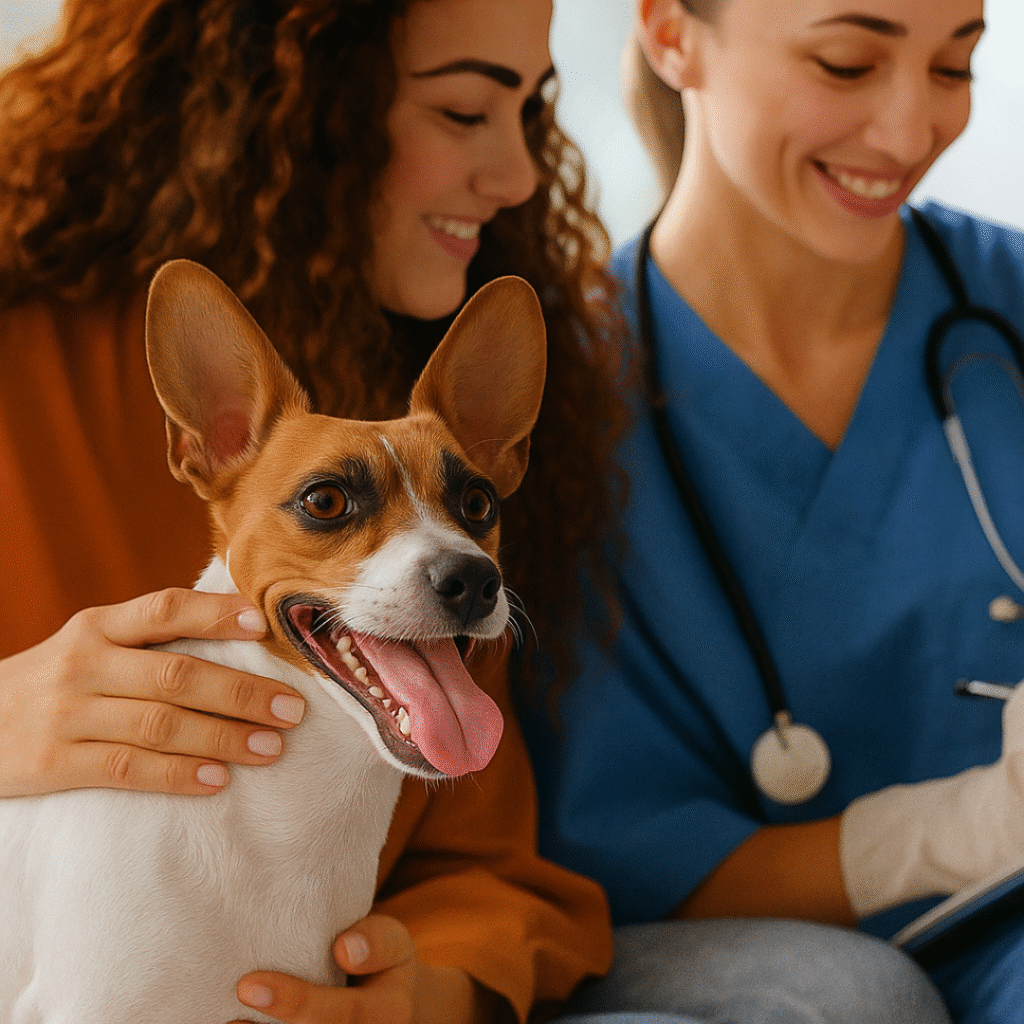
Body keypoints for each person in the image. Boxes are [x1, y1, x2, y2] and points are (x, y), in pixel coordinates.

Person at [0, 1, 631, 1021]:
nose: (519, 176)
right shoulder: (40, 360)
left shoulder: (422, 438)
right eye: (464, 111)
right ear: (295, 102)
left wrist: (426, 988)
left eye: (534, 111)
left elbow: (488, 863)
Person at [522, 0, 1024, 1021]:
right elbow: (630, 863)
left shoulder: (1002, 306)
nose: (909, 131)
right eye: (845, 64)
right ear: (669, 34)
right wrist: (975, 823)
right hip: (749, 974)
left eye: (954, 66)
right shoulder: (551, 409)